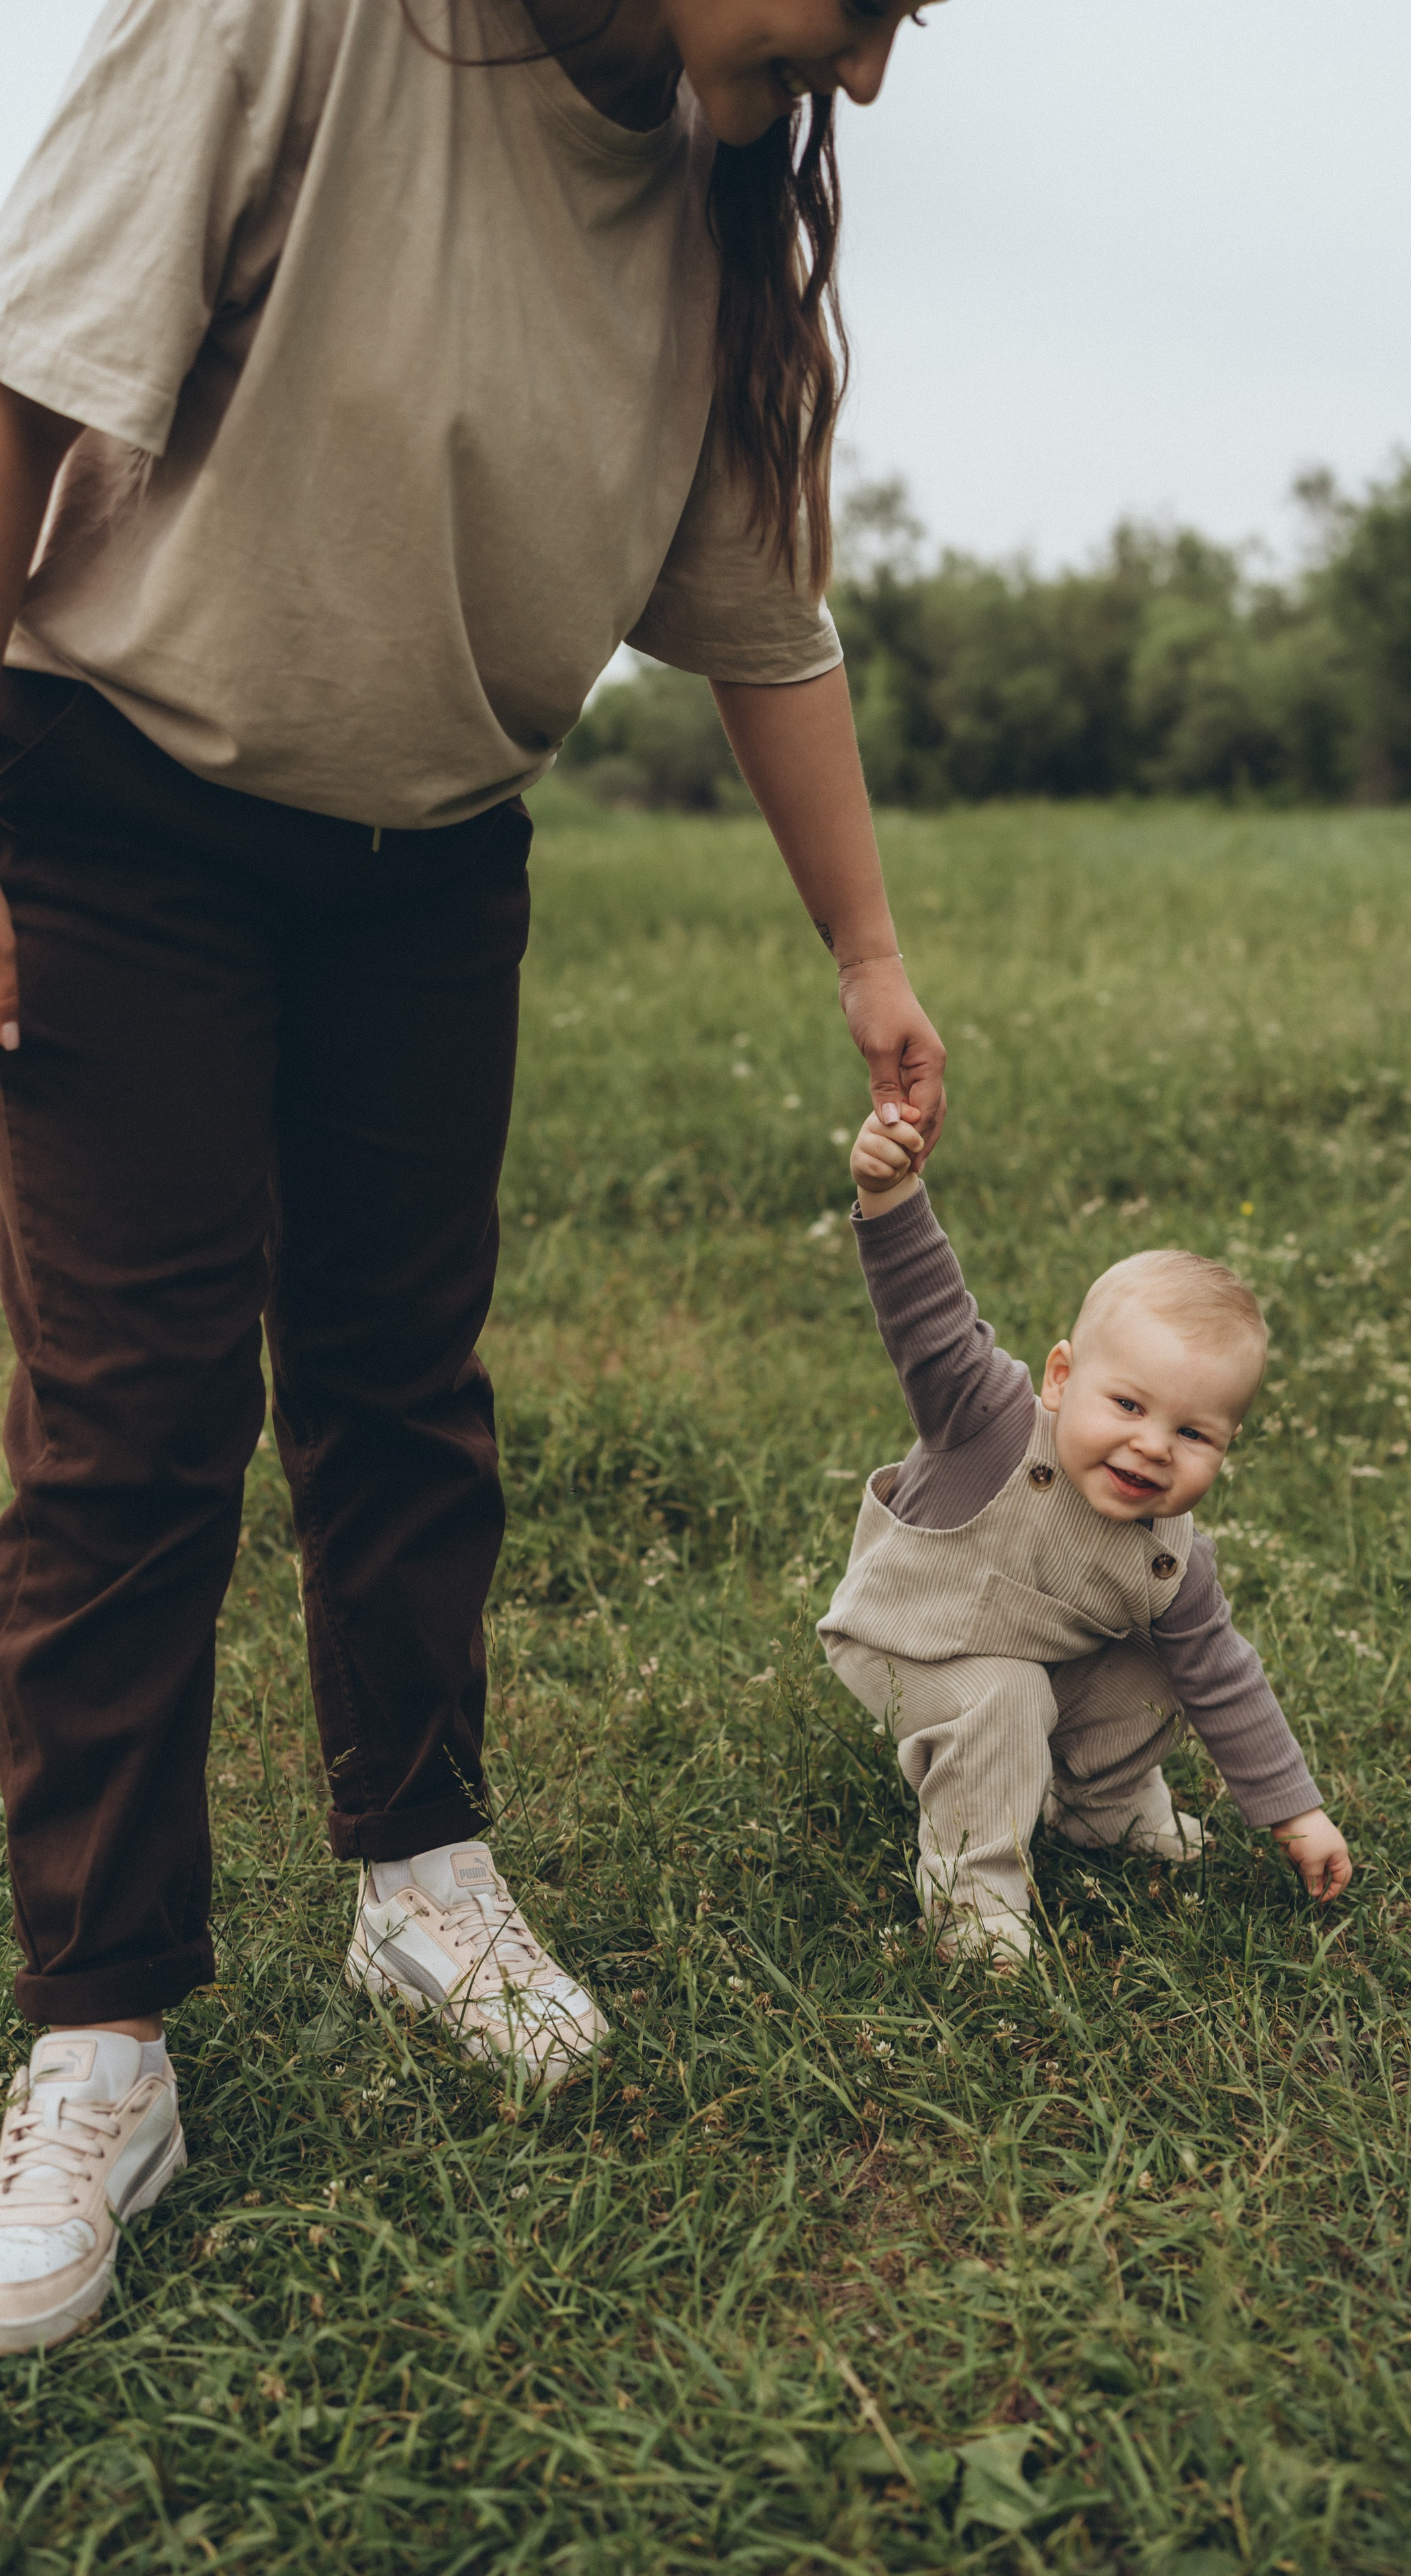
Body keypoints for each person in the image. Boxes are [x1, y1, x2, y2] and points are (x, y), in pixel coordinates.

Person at [0, 0, 950, 2352]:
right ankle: (105, 2040)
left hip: (427, 857)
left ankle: (417, 1873)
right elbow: (21, 387)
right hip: (123, 801)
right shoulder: (292, 20)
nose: (866, 80)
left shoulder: (719, 186)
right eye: (852, 11)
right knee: (132, 1426)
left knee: (405, 1386)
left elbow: (755, 605)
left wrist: (869, 949)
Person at [818, 1108, 1353, 1963]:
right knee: (1006, 1695)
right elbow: (927, 1313)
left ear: (1226, 1447)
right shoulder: (985, 1420)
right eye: (1130, 1405)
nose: (1151, 1444)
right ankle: (973, 1907)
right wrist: (889, 1193)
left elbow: (1225, 1682)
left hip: (1031, 1653)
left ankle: (1099, 1808)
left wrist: (1297, 1814)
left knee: (1162, 1667)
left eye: (1193, 1433)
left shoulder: (1171, 1559)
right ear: (1063, 1378)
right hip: (903, 1643)